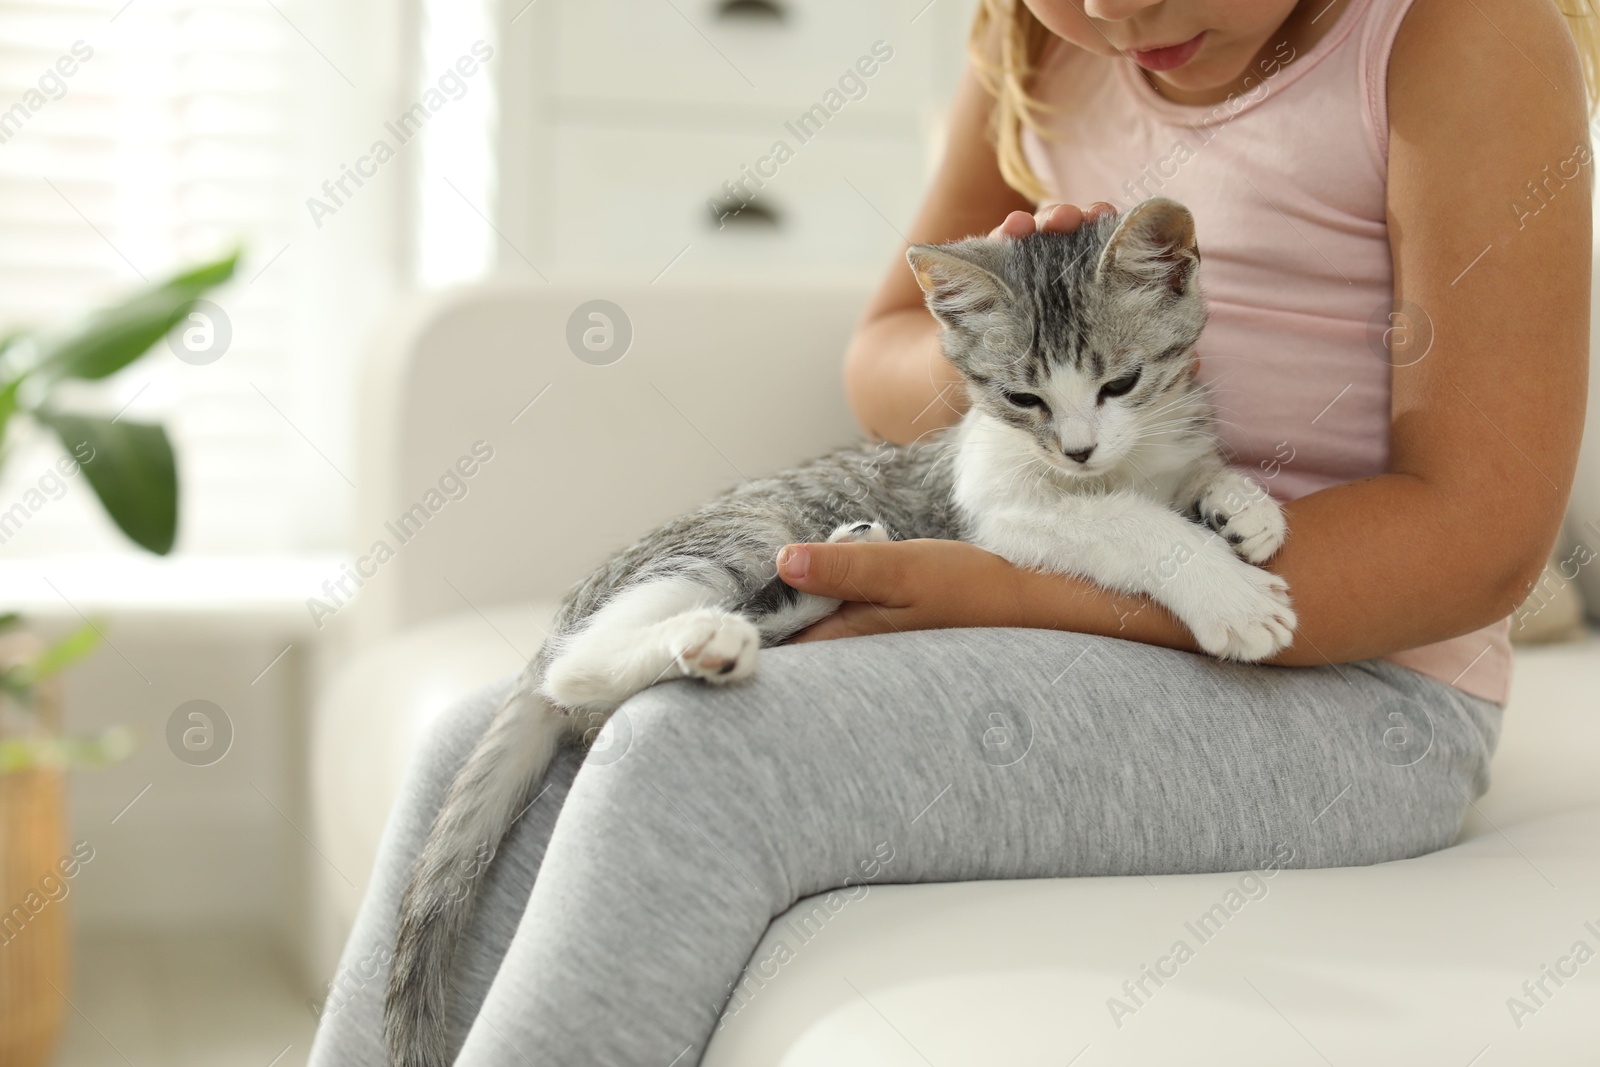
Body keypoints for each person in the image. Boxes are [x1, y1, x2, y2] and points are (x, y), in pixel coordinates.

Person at [309, 1, 1592, 1063]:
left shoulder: (1458, 36)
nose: (1112, 14)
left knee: (697, 758)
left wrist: (1022, 592)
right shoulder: (1046, 42)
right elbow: (882, 354)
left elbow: (1479, 541)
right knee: (484, 740)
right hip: (1083, 556)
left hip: (1355, 687)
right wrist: (1006, 336)